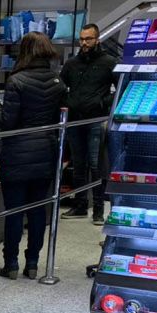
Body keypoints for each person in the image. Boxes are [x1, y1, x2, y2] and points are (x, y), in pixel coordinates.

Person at [0, 31, 65, 281]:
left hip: (17, 154)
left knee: (13, 211)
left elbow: (9, 121)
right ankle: (32, 263)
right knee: (37, 211)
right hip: (46, 152)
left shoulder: (16, 81)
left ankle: (10, 264)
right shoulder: (58, 82)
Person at [59, 23, 117, 224]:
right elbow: (61, 87)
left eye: (88, 39)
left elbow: (120, 89)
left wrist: (104, 103)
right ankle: (80, 205)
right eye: (82, 39)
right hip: (75, 120)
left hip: (96, 120)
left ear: (97, 39)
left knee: (96, 165)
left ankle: (99, 210)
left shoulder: (109, 62)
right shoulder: (71, 64)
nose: (84, 43)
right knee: (78, 165)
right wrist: (67, 103)